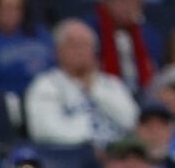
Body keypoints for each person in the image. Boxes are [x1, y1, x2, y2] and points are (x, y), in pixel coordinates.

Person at [24, 19, 138, 147]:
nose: (79, 51)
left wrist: (94, 88)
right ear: (57, 51)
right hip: (73, 155)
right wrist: (90, 140)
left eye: (85, 45)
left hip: (119, 155)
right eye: (72, 45)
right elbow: (44, 130)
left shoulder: (111, 84)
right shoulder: (45, 85)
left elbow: (131, 121)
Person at [93, 0, 155, 90]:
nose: (128, 7)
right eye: (123, 0)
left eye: (134, 2)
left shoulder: (149, 35)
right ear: (108, 1)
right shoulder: (91, 30)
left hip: (142, 91)